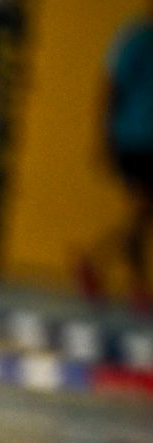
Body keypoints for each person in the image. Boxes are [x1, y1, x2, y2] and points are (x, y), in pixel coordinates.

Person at [83, 5, 153, 306]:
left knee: (141, 214)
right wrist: (104, 136)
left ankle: (95, 261)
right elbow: (110, 86)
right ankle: (134, 284)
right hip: (133, 137)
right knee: (141, 210)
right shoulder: (136, 39)